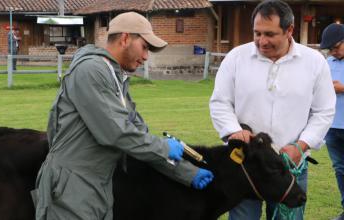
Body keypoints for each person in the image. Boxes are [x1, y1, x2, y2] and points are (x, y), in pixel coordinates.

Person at [32, 12, 213, 220]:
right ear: (125, 39)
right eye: (144, 47)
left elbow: (140, 138)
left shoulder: (116, 81)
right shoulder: (90, 71)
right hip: (70, 187)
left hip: (97, 187)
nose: (146, 57)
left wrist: (188, 172)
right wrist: (164, 147)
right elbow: (117, 133)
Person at [209, 0, 336, 219]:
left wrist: (301, 145)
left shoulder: (314, 62)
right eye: (257, 33)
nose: (261, 41)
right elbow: (220, 102)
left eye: (270, 34)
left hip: (290, 164)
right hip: (245, 165)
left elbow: (324, 111)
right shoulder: (236, 58)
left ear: (289, 30)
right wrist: (232, 131)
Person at [320, 23, 344, 220]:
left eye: (336, 47)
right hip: (333, 127)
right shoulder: (326, 64)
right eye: (330, 49)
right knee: (340, 171)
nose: (333, 52)